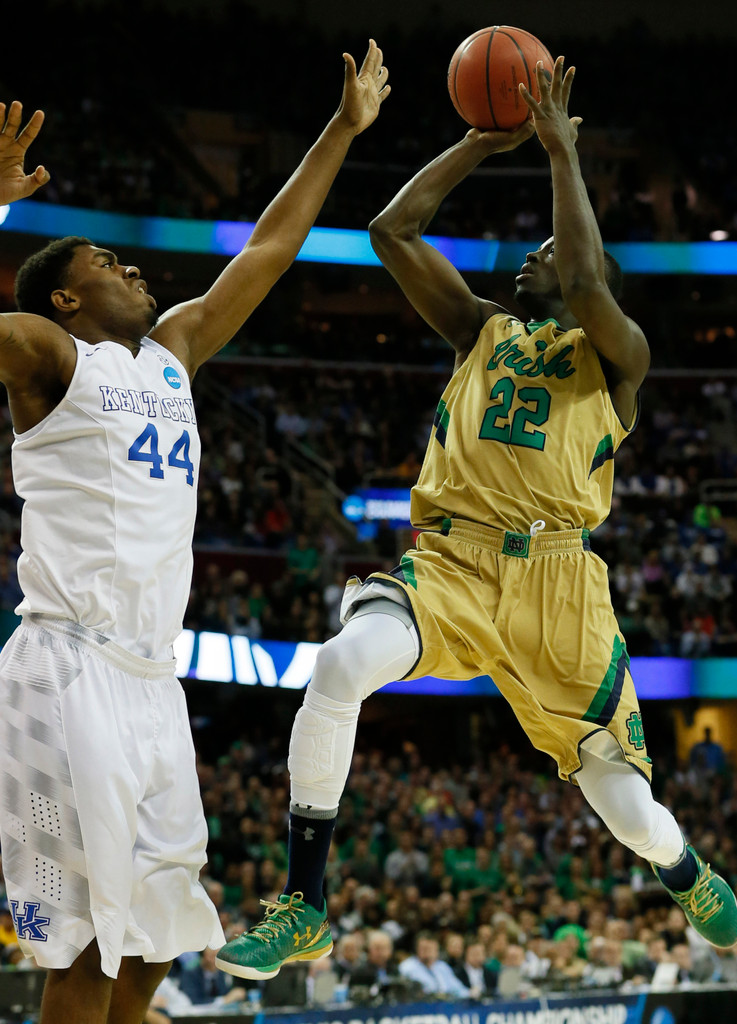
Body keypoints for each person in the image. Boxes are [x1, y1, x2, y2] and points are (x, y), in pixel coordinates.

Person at [215, 57, 737, 983]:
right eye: (534, 248)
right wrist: (476, 142)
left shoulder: (618, 352)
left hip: (559, 586)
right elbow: (391, 229)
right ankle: (304, 902)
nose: (532, 253)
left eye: (550, 247)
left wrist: (560, 154)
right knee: (339, 664)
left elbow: (583, 280)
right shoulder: (481, 329)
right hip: (452, 566)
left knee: (623, 805)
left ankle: (683, 867)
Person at [0, 40, 389, 1024]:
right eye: (105, 263)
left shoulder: (172, 350)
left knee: (158, 949)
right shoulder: (51, 356)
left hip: (149, 679)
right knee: (83, 951)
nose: (130, 267)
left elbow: (266, 248)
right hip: (65, 670)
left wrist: (341, 128)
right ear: (63, 297)